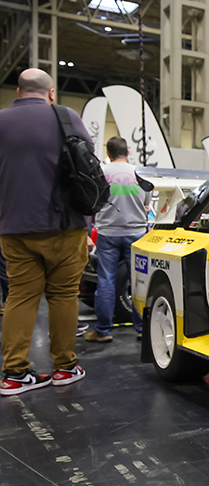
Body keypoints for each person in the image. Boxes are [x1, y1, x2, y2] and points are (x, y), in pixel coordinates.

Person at [0, 69, 90, 395]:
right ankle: (65, 368)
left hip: (13, 227)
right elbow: (88, 163)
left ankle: (14, 374)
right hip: (64, 225)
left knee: (19, 296)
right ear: (51, 93)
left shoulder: (1, 121)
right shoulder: (66, 117)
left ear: (18, 91)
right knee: (63, 295)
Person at [86, 136, 149, 343]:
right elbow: (147, 203)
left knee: (106, 281)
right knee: (139, 281)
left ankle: (103, 331)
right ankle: (142, 329)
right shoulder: (140, 173)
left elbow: (93, 202)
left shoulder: (101, 172)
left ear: (108, 153)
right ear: (128, 152)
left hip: (108, 233)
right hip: (136, 233)